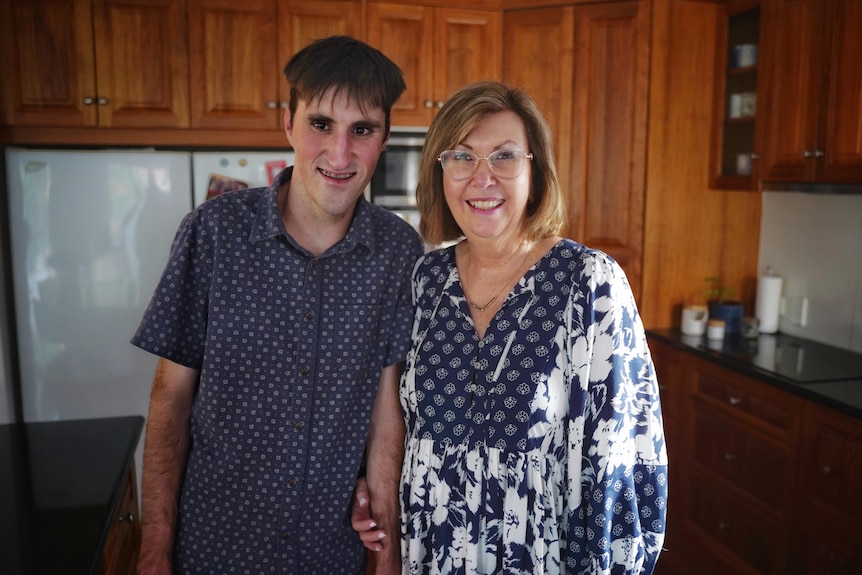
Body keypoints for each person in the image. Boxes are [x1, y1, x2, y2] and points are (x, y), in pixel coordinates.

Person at [131, 35, 424, 575]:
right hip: (211, 550)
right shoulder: (213, 233)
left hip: (328, 556)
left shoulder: (398, 251)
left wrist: (389, 562)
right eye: (321, 124)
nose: (339, 155)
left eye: (362, 130)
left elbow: (388, 416)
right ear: (288, 125)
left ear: (383, 138)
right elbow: (169, 401)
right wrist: (154, 548)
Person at [353, 81, 667, 574]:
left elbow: (621, 465)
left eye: (504, 156)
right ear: (440, 171)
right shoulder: (425, 279)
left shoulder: (588, 283)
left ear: (534, 170)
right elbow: (399, 429)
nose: (482, 178)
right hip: (430, 556)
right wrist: (366, 495)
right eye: (461, 157)